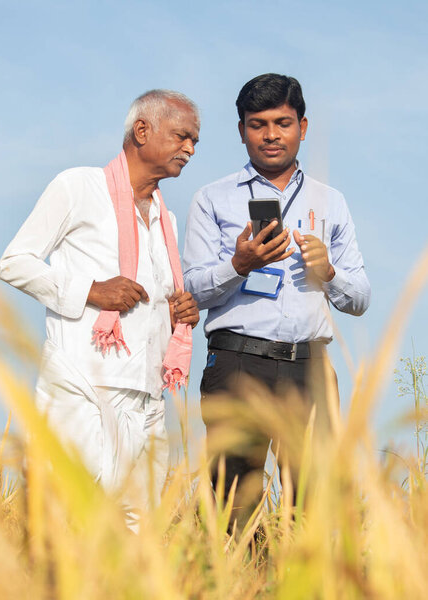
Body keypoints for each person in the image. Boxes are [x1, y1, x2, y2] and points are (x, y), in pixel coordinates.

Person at [0, 89, 200, 527]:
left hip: (146, 395)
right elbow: (14, 263)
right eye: (183, 136)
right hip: (82, 386)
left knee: (137, 528)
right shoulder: (78, 186)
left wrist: (178, 312)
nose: (190, 149)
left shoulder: (167, 217)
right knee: (65, 519)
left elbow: (151, 302)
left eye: (195, 142)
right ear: (142, 130)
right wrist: (91, 290)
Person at [183, 73, 370, 525]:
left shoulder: (332, 201)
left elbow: (360, 298)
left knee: (313, 501)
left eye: (283, 123)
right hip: (238, 361)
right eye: (257, 123)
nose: (271, 135)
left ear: (303, 127)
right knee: (232, 498)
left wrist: (328, 272)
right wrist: (239, 264)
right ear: (241, 130)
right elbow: (191, 289)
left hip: (311, 366)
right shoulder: (212, 199)